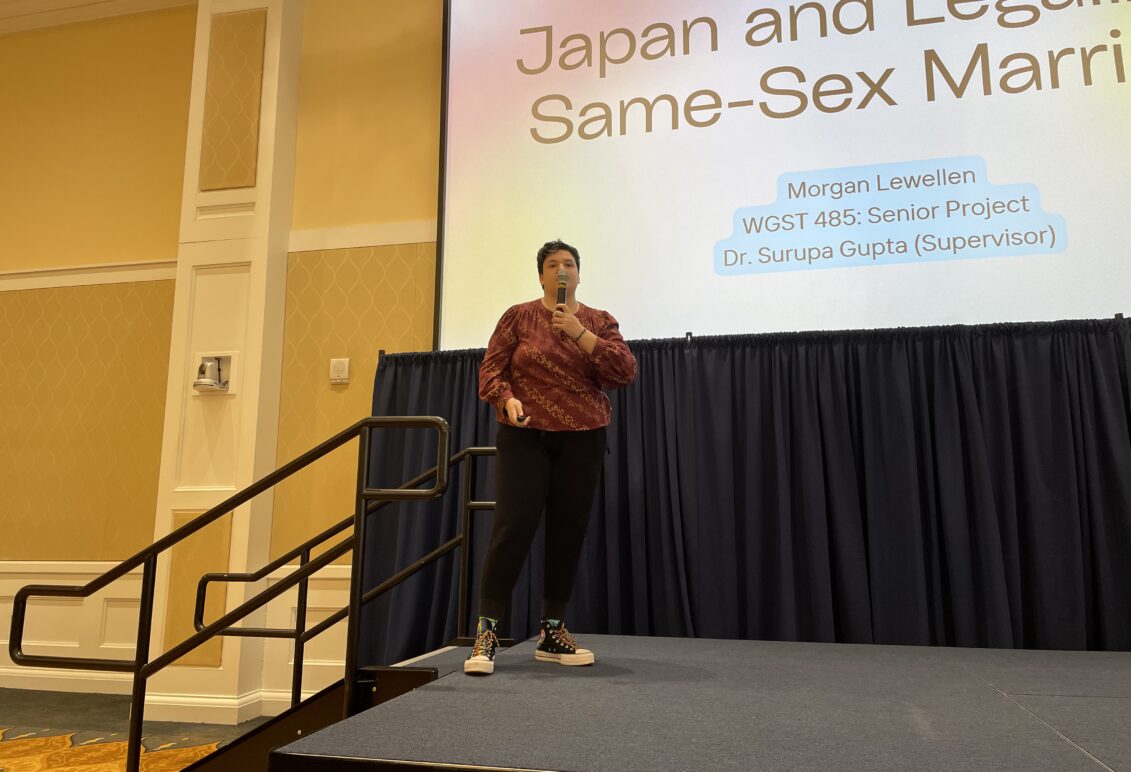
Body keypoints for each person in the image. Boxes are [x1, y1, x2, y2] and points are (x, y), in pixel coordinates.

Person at [465, 239, 637, 675]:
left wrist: (578, 333)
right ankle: (486, 634)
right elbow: (491, 369)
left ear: (579, 275)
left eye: (569, 264)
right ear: (541, 275)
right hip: (526, 437)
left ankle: (552, 632)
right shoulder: (518, 317)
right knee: (513, 527)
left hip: (583, 439)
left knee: (568, 531)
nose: (562, 270)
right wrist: (505, 399)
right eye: (553, 264)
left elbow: (623, 370)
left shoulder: (599, 321)